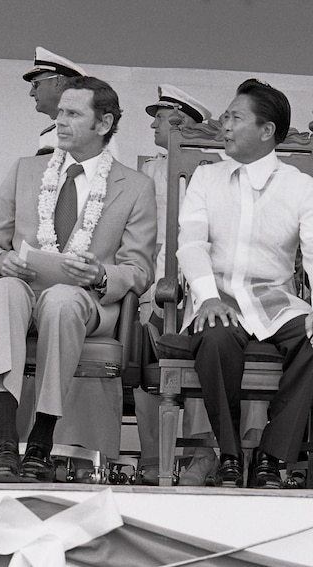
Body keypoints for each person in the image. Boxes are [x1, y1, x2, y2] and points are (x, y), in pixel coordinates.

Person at [0, 77, 156, 482]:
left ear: (104, 124)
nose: (60, 121)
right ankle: (4, 442)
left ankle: (40, 439)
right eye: (60, 113)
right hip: (21, 290)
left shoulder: (136, 186)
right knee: (0, 291)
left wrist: (101, 273)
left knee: (62, 301)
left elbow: (140, 270)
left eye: (72, 114)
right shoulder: (26, 170)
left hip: (83, 301)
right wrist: (1, 261)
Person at [178, 79, 313, 488]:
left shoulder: (300, 186)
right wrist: (209, 297)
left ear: (267, 130)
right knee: (215, 335)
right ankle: (229, 454)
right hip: (217, 296)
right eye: (225, 117)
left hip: (274, 300)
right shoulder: (206, 178)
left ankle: (272, 455)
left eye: (235, 117)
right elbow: (191, 244)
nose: (224, 126)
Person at [134, 84, 218, 486]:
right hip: (150, 276)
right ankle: (154, 457)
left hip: (198, 279)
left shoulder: (213, 169)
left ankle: (203, 455)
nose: (152, 122)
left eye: (160, 115)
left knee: (197, 359)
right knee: (145, 365)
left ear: (182, 121)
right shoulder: (147, 169)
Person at [23, 47, 87, 155]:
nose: (31, 93)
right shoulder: (47, 137)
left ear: (58, 82)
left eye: (36, 84)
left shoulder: (92, 130)